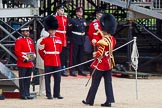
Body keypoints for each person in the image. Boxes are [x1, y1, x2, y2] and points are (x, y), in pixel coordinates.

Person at [82, 14, 117, 107]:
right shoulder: (112, 39)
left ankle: (90, 100)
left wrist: (95, 50)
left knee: (95, 83)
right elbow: (105, 41)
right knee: (108, 83)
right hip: (108, 63)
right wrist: (98, 33)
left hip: (100, 64)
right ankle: (109, 100)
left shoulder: (102, 41)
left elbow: (99, 53)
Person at [38, 15, 63, 99]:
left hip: (57, 61)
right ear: (48, 30)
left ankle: (57, 94)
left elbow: (59, 50)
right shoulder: (45, 40)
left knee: (58, 79)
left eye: (54, 30)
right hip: (48, 61)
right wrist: (45, 58)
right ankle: (49, 94)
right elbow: (40, 51)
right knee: (47, 79)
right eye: (51, 30)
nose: (53, 31)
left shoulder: (59, 39)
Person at [14, 26, 36, 100]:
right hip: (22, 62)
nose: (27, 33)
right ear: (22, 32)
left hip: (29, 62)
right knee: (22, 79)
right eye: (26, 31)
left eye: (28, 31)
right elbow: (17, 51)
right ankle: (23, 94)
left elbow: (32, 50)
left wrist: (32, 57)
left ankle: (27, 93)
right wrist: (24, 58)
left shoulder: (30, 40)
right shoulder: (19, 40)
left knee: (27, 79)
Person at [68, 7, 87, 76]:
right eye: (78, 12)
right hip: (75, 39)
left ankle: (80, 69)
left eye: (81, 12)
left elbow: (85, 30)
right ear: (76, 13)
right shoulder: (73, 20)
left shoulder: (83, 20)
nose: (80, 13)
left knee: (81, 55)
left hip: (82, 39)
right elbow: (69, 31)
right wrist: (70, 39)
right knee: (73, 55)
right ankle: (72, 70)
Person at [55, 5, 68, 76]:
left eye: (63, 10)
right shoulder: (55, 18)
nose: (62, 11)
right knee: (58, 54)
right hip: (58, 37)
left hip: (64, 38)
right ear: (57, 11)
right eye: (60, 10)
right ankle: (57, 69)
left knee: (63, 55)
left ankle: (63, 68)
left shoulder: (65, 18)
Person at [36, 28, 49, 96]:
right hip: (44, 61)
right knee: (44, 77)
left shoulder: (38, 40)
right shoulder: (44, 40)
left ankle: (41, 91)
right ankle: (43, 91)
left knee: (41, 77)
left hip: (39, 61)